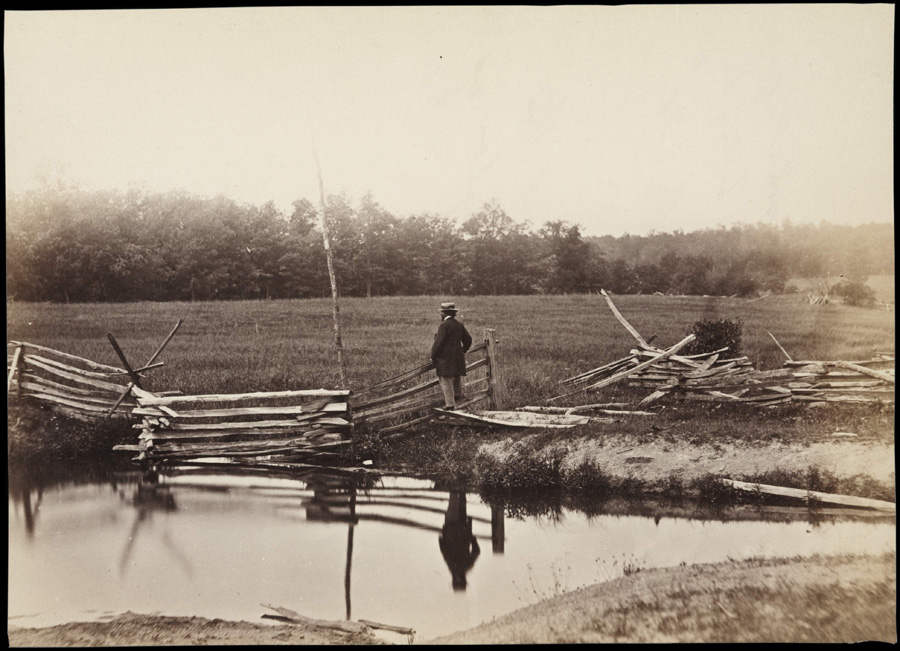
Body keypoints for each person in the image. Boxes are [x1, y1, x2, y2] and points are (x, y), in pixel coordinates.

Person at [430, 302, 472, 410]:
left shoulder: (444, 325)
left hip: (445, 359)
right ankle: (458, 399)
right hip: (457, 357)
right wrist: (462, 351)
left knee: (446, 381)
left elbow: (438, 343)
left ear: (444, 313)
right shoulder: (459, 324)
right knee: (456, 378)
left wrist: (433, 357)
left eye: (441, 312)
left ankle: (450, 405)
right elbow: (468, 340)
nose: (440, 314)